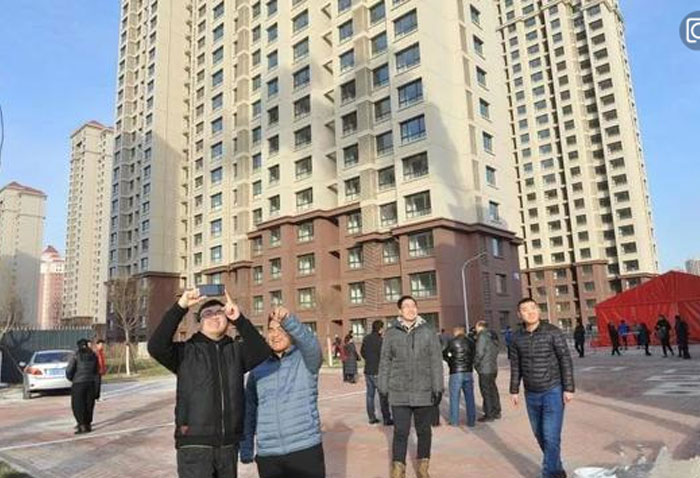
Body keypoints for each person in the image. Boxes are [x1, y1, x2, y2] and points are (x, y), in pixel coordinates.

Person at [147, 289, 270, 478]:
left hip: (228, 445)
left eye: (219, 312)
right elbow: (156, 346)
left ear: (227, 320)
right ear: (200, 322)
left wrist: (239, 319)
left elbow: (262, 351)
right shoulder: (185, 352)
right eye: (207, 313)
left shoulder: (236, 352)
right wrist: (181, 307)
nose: (214, 316)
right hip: (194, 445)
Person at [240, 306, 326, 478]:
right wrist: (246, 446)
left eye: (281, 329)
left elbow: (312, 345)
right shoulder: (258, 368)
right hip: (269, 455)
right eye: (271, 330)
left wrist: (289, 320)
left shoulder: (305, 360)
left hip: (305, 449)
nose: (275, 335)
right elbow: (249, 409)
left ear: (291, 333)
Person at [379, 296, 443, 478]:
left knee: (424, 431)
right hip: (399, 391)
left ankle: (423, 468)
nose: (410, 309)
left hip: (424, 390)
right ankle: (398, 470)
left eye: (413, 306)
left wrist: (438, 387)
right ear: (399, 311)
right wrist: (383, 387)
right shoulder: (391, 333)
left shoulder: (428, 331)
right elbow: (385, 361)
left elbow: (436, 361)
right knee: (400, 432)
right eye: (406, 306)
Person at [510, 298, 575, 478]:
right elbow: (516, 365)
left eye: (533, 308)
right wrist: (514, 390)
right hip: (531, 393)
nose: (530, 312)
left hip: (552, 390)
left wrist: (568, 388)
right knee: (540, 435)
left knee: (551, 436)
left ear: (539, 310)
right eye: (525, 309)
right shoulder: (516, 338)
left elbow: (565, 359)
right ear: (519, 314)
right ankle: (557, 471)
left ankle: (548, 474)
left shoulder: (553, 332)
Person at [443, 326, 476, 427]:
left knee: (454, 397)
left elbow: (444, 353)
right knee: (470, 397)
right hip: (468, 371)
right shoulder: (471, 342)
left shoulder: (452, 342)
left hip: (456, 371)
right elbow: (474, 354)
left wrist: (451, 361)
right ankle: (471, 420)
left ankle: (454, 421)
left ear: (455, 332)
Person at [361, 320, 393, 425]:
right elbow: (386, 356)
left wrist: (369, 359)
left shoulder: (366, 339)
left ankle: (371, 417)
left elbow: (362, 353)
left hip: (368, 370)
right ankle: (386, 418)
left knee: (370, 395)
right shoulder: (381, 341)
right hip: (378, 370)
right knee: (383, 395)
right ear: (380, 329)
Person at [66, 338, 99, 434]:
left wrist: (72, 378)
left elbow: (69, 370)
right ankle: (88, 424)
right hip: (90, 383)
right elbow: (96, 371)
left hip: (78, 383)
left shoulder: (76, 356)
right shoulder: (93, 355)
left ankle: (81, 425)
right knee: (89, 404)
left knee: (78, 405)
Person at [474, 320, 501, 422]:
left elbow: (479, 353)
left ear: (479, 326)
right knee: (493, 390)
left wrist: (475, 364)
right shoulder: (492, 335)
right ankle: (496, 411)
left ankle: (489, 414)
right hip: (493, 367)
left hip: (485, 368)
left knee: (486, 392)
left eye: (476, 326)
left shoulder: (482, 336)